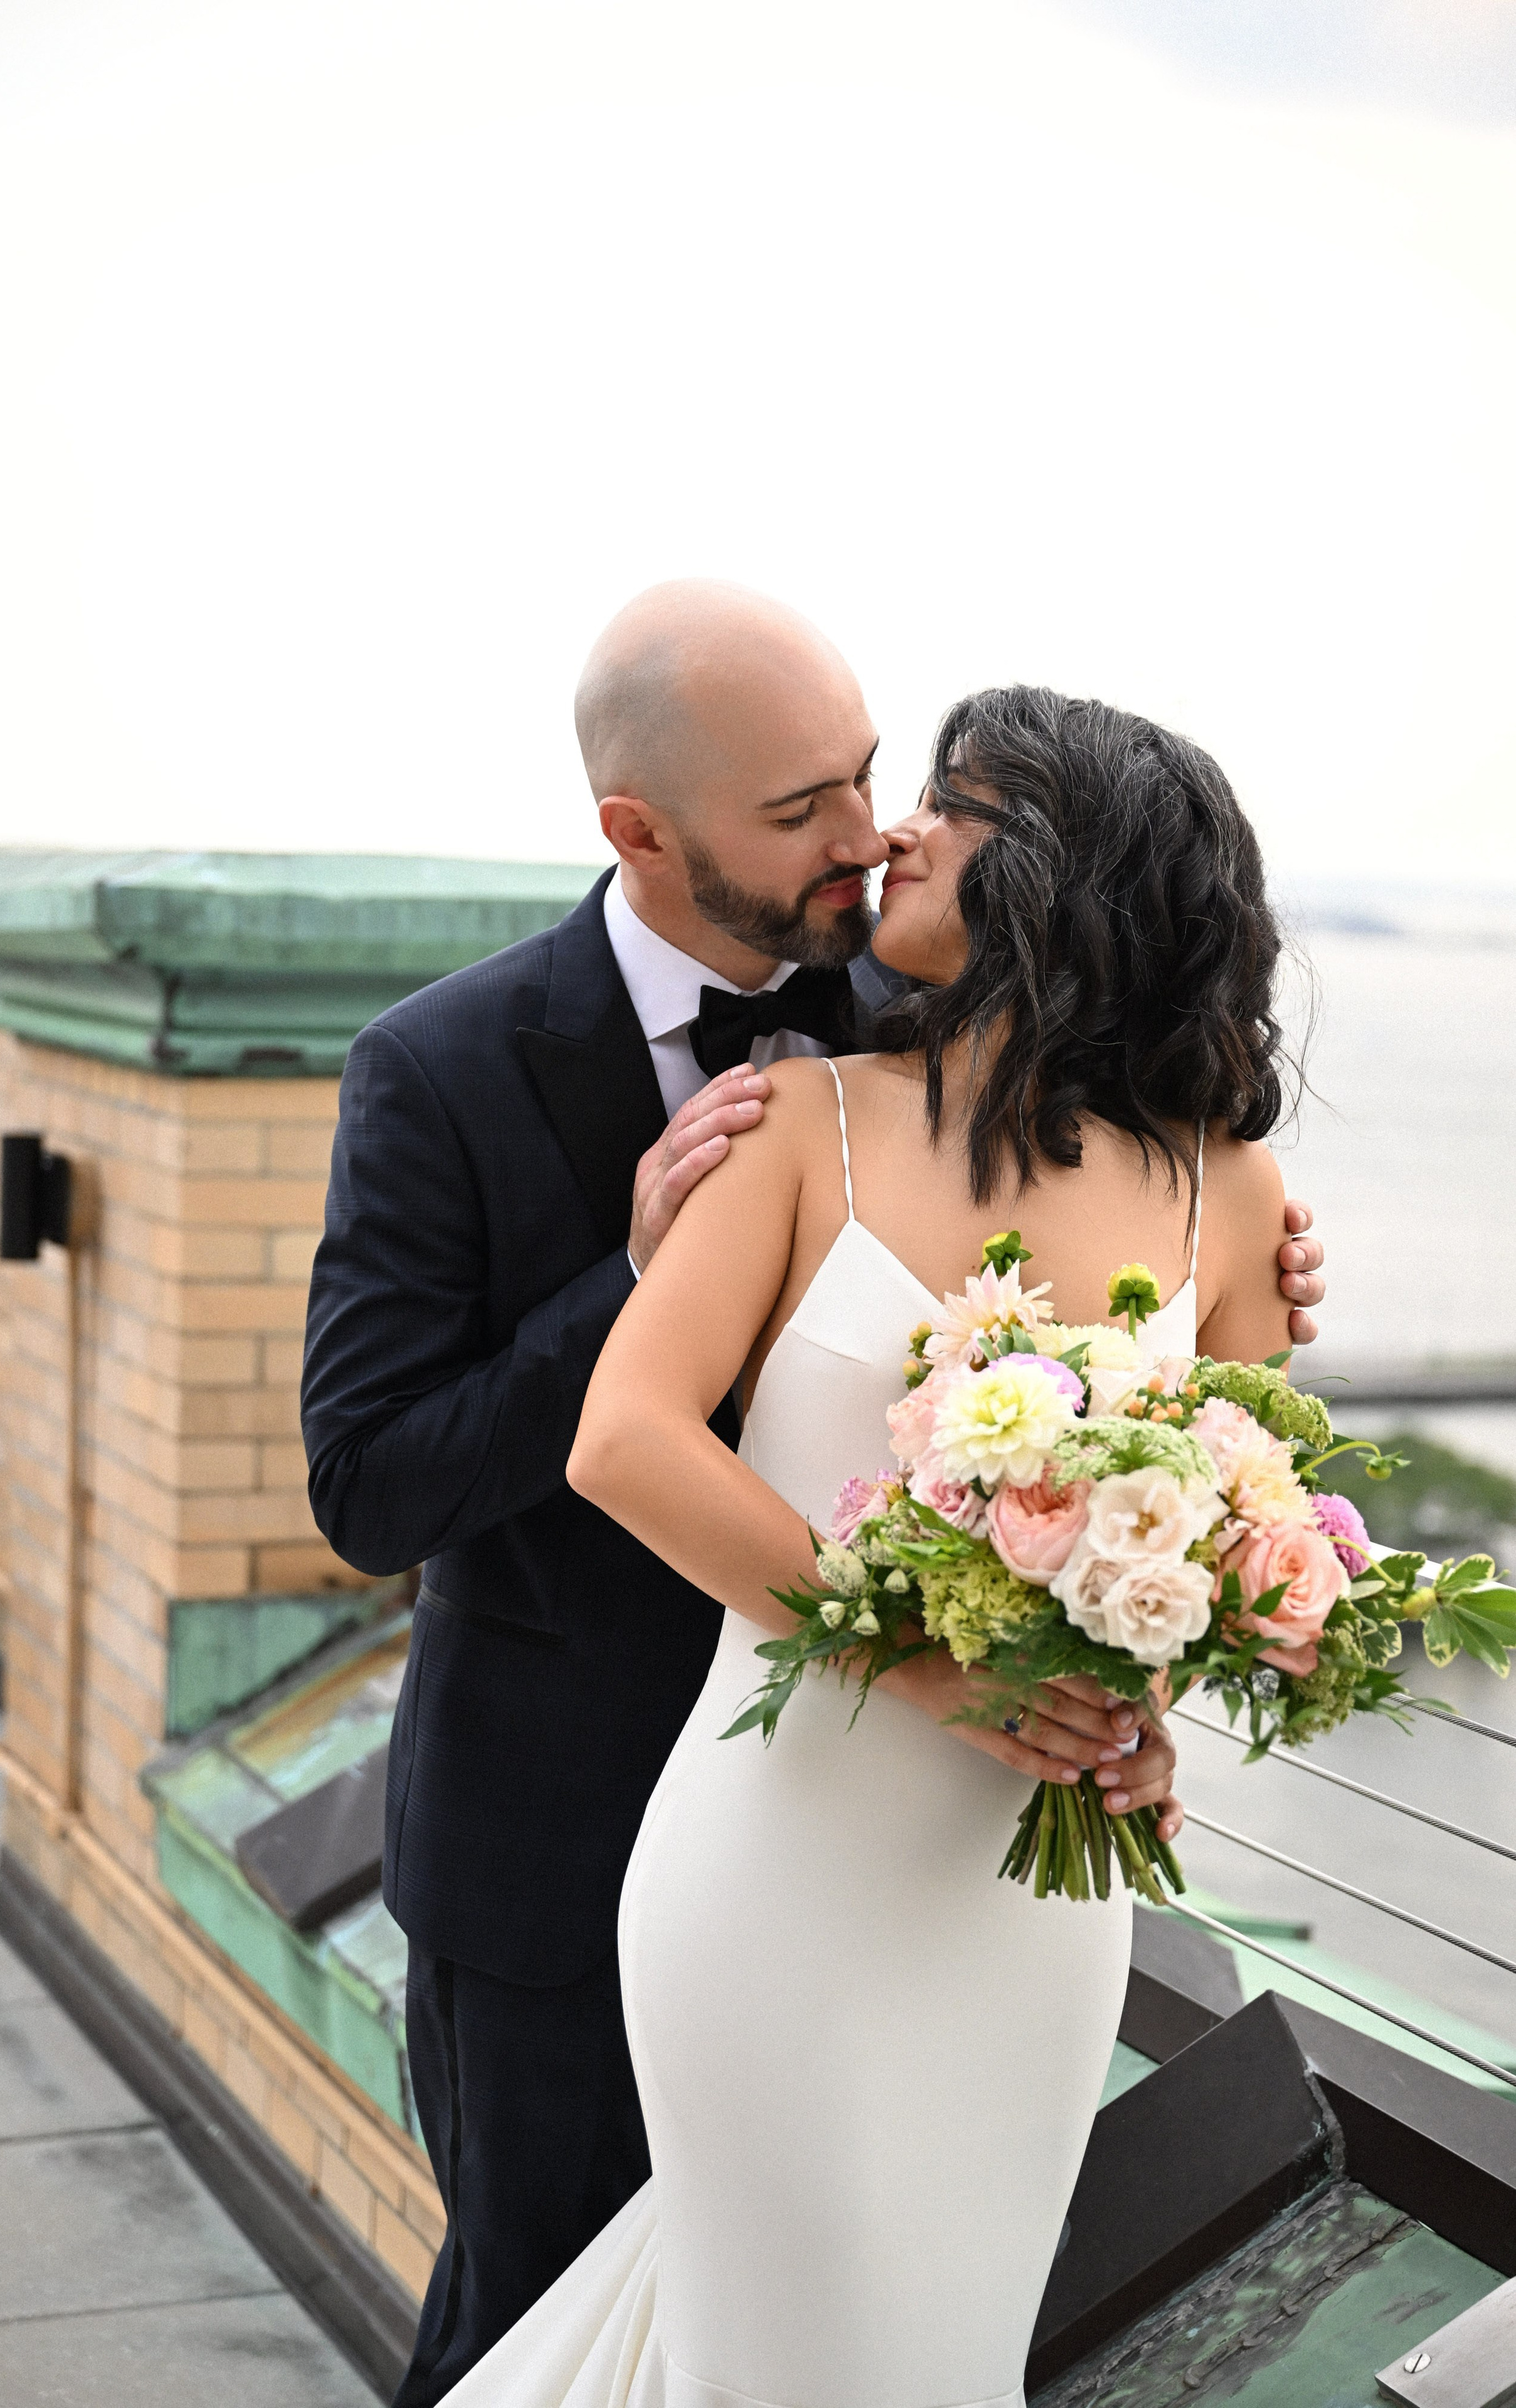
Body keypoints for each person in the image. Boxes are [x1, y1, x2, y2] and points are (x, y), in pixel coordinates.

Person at [300, 594, 1326, 2403]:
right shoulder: (448, 1073)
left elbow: (1206, 1496)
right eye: (812, 809)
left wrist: (1134, 1701)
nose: (872, 833)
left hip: (985, 1873)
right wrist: (642, 1273)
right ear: (645, 835)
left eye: (888, 782)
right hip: (593, 1843)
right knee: (544, 2317)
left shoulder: (917, 1028)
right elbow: (381, 1481)